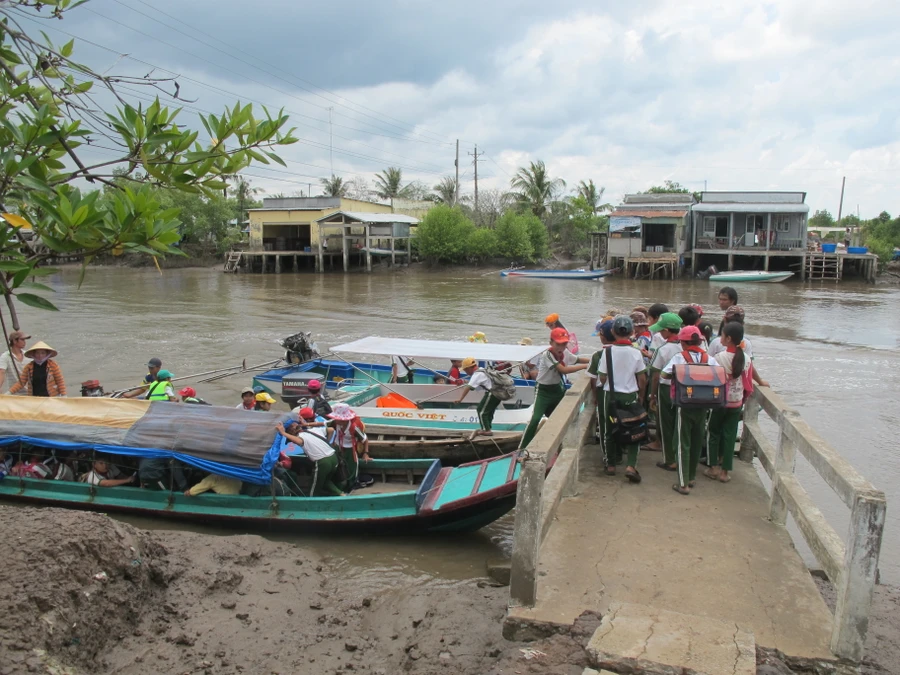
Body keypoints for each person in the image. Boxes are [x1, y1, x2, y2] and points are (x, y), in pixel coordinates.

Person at [594, 316, 648, 482]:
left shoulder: (606, 353)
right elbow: (642, 379)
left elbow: (602, 378)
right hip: (629, 395)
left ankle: (610, 464)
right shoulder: (636, 353)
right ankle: (631, 465)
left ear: (612, 332)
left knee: (608, 429)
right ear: (632, 332)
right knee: (635, 429)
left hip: (610, 396)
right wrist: (641, 396)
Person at [519, 328, 589, 449]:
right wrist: (586, 366)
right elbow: (563, 370)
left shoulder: (565, 353)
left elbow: (577, 359)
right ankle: (522, 449)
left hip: (557, 389)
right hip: (543, 391)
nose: (561, 347)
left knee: (560, 419)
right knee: (535, 420)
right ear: (551, 343)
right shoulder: (548, 354)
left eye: (564, 344)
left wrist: (596, 360)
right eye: (558, 344)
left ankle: (560, 446)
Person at [662, 326, 711, 496]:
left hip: (685, 403)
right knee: (697, 441)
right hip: (704, 403)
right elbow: (721, 376)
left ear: (683, 342)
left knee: (682, 443)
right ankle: (691, 477)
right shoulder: (708, 358)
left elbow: (664, 374)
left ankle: (683, 484)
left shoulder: (680, 357)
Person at [705, 322, 751, 484]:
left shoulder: (719, 358)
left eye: (722, 335)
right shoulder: (745, 359)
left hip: (719, 402)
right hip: (736, 402)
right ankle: (725, 471)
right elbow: (748, 386)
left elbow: (712, 380)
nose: (720, 338)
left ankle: (713, 467)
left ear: (729, 338)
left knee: (713, 432)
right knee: (730, 435)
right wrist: (742, 400)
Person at [276, 421, 344, 497]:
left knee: (314, 487)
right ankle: (341, 494)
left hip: (323, 462)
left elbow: (298, 440)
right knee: (325, 481)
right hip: (333, 457)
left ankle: (311, 501)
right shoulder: (313, 430)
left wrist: (283, 433)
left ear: (292, 433)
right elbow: (331, 430)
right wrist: (326, 443)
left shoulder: (300, 437)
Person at [707, 306, 769, 386]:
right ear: (743, 324)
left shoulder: (715, 342)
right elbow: (749, 368)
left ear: (724, 320)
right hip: (738, 391)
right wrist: (760, 382)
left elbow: (708, 366)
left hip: (719, 387)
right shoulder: (747, 343)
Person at [587, 319, 615, 464]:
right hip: (627, 393)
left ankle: (609, 459)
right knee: (620, 422)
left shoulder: (598, 355)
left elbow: (593, 379)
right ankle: (620, 453)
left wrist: (595, 396)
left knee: (605, 426)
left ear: (602, 337)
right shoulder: (632, 352)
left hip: (605, 393)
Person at [455, 356, 502, 436]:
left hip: (492, 393)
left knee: (481, 410)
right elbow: (476, 384)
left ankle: (486, 430)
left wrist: (460, 399)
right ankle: (487, 428)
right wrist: (465, 381)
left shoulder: (477, 374)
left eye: (466, 370)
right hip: (499, 392)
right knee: (488, 411)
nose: (466, 372)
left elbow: (468, 388)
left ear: (469, 368)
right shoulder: (482, 369)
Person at [328, 402, 369, 490]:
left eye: (337, 418)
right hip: (338, 446)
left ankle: (352, 484)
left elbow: (365, 440)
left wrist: (365, 453)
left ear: (344, 420)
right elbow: (324, 425)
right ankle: (340, 483)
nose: (335, 420)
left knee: (352, 467)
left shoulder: (354, 428)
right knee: (338, 466)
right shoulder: (335, 423)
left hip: (350, 449)